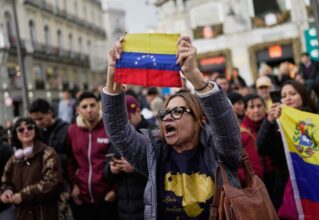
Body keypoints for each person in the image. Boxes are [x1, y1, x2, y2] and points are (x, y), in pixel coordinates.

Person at [102, 36, 241, 219]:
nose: (167, 118)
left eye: (177, 111)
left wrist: (193, 74)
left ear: (198, 119)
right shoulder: (153, 154)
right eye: (165, 113)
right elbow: (119, 131)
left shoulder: (219, 151)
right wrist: (113, 74)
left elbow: (224, 123)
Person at [257, 80, 319, 213]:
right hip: (287, 185)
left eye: (292, 94)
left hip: (315, 182)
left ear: (303, 96)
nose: (288, 98)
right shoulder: (276, 122)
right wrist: (269, 121)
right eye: (284, 96)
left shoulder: (317, 119)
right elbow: (261, 147)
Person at [104, 95, 156, 220]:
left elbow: (160, 170)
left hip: (147, 206)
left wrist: (135, 168)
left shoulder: (153, 133)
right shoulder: (118, 135)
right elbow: (106, 171)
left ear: (137, 111)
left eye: (127, 119)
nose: (124, 124)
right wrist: (111, 170)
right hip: (123, 207)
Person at [66, 91, 117, 220]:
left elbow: (118, 160)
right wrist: (73, 185)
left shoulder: (109, 127)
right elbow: (71, 161)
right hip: (82, 199)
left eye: (92, 105)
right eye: (84, 107)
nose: (89, 110)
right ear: (78, 110)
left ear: (98, 106)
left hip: (107, 197)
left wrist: (115, 191)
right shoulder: (72, 131)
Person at [0, 117, 62, 220]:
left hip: (44, 213)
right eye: (21, 129)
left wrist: (23, 196)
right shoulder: (15, 158)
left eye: (29, 128)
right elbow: (7, 181)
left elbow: (52, 182)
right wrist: (7, 192)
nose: (26, 131)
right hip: (22, 214)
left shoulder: (48, 153)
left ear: (36, 130)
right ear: (16, 134)